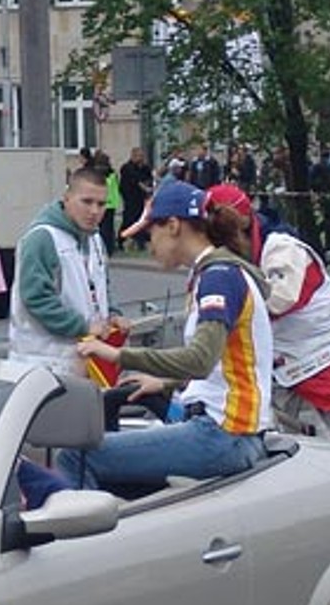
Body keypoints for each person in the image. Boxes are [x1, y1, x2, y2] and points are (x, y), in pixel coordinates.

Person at [62, 180, 274, 491]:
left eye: (151, 234)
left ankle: (84, 539)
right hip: (228, 430)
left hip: (222, 434)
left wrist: (117, 355)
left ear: (173, 226)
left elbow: (200, 359)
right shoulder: (216, 274)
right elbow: (222, 365)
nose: (150, 246)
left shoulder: (218, 278)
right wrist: (164, 383)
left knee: (77, 456)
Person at [204, 185, 330, 447]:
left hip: (323, 361)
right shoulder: (243, 252)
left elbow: (279, 299)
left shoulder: (282, 249)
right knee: (266, 440)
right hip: (281, 366)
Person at [8, 167, 116, 381]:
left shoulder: (95, 239)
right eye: (86, 202)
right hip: (43, 364)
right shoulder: (42, 238)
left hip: (85, 361)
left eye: (101, 204)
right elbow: (36, 298)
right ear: (67, 199)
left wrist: (113, 314)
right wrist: (82, 326)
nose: (94, 211)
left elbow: (101, 287)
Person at [117, 146, 153, 252]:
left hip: (141, 198)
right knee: (129, 219)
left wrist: (148, 187)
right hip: (130, 198)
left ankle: (140, 241)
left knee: (141, 220)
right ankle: (121, 239)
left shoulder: (144, 168)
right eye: (138, 156)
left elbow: (148, 178)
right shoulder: (127, 168)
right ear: (133, 156)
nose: (141, 158)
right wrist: (145, 187)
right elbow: (136, 180)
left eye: (142, 156)